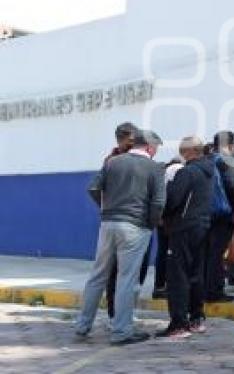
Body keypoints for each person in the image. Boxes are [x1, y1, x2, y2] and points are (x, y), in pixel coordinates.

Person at [75, 129, 164, 345]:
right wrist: (149, 225)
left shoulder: (113, 162)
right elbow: (159, 202)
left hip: (108, 223)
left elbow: (93, 188)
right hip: (135, 226)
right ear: (150, 147)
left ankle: (82, 324)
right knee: (126, 278)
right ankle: (122, 330)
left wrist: (107, 210)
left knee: (98, 275)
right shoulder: (154, 167)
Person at [157, 137, 214, 339]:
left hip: (183, 227)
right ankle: (197, 318)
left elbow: (172, 200)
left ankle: (179, 323)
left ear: (189, 152)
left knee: (177, 275)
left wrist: (162, 215)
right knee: (196, 273)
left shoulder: (187, 172)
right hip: (203, 225)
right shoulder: (210, 172)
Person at [205, 130, 234, 303]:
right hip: (224, 214)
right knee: (218, 253)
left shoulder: (208, 159)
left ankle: (206, 288)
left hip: (207, 213)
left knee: (209, 252)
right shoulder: (226, 161)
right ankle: (215, 290)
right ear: (230, 145)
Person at [152, 159, 184, 300]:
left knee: (162, 252)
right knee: (172, 254)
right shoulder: (179, 173)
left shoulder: (162, 175)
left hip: (161, 219)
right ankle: (168, 285)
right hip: (172, 220)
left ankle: (159, 286)